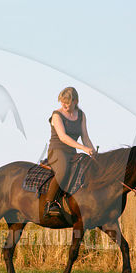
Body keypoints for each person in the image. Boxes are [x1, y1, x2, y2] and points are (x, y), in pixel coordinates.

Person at [43, 87, 96, 218]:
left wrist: (93, 153)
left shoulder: (81, 115)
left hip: (72, 151)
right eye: (62, 102)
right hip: (57, 150)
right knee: (63, 169)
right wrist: (83, 148)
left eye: (67, 102)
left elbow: (85, 137)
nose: (64, 105)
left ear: (75, 101)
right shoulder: (56, 115)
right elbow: (63, 137)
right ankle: (49, 204)